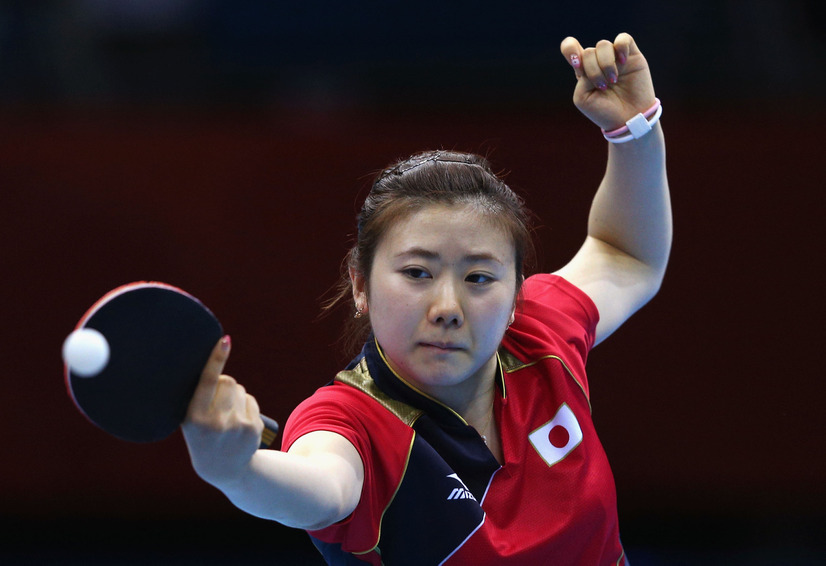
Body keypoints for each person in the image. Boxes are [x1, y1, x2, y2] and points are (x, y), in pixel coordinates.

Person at [182, 32, 671, 565]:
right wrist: (237, 471)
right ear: (361, 285)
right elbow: (319, 487)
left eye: (479, 278)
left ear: (514, 297)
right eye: (417, 272)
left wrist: (635, 129)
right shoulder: (351, 422)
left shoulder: (539, 338)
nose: (447, 306)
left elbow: (625, 255)